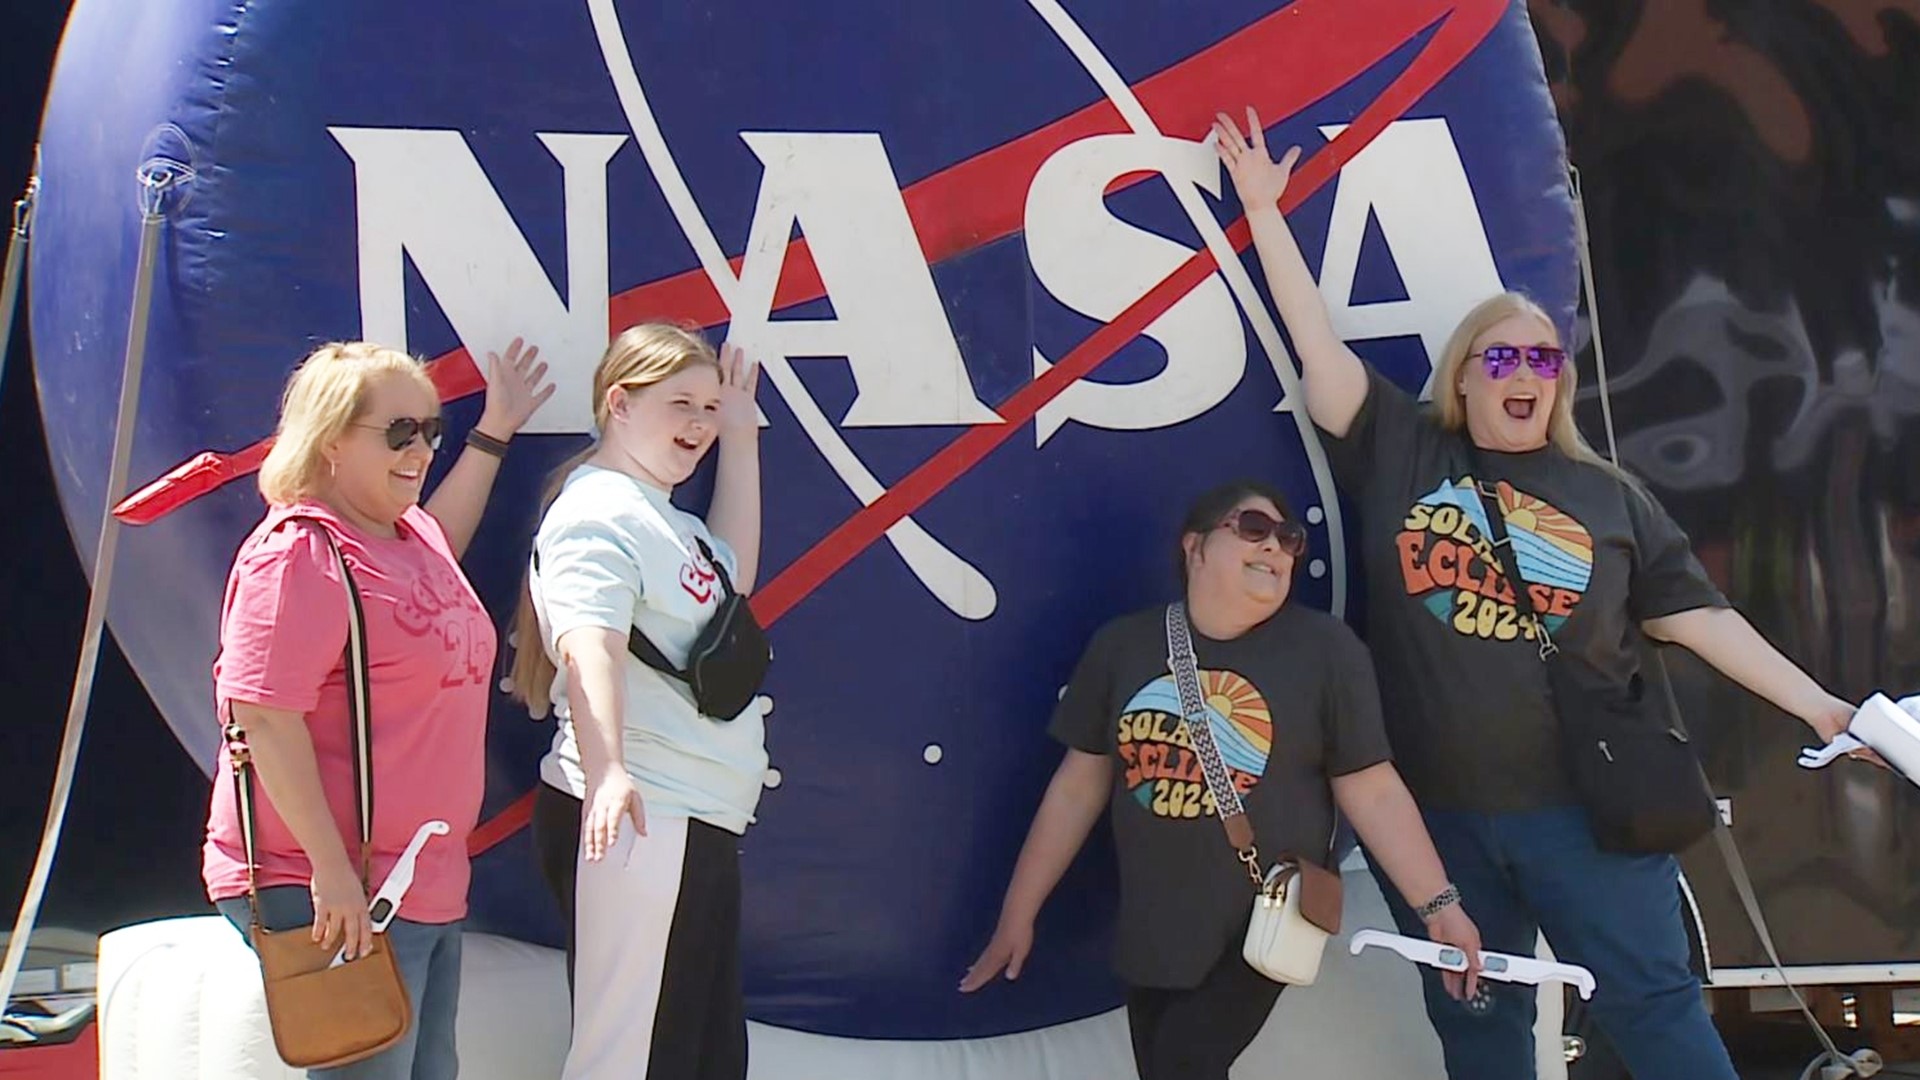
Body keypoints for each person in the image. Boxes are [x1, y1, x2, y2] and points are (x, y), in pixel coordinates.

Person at [1213, 107, 1871, 1080]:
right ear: (1465, 383)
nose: (1524, 371)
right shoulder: (1403, 447)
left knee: (1658, 1014)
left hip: (1587, 817)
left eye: (1542, 358)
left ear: (1557, 385)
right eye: (1501, 357)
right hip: (1441, 823)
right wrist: (1265, 212)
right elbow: (1316, 348)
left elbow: (1702, 619)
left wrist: (1821, 705)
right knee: (1478, 1031)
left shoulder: (1609, 498)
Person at [961, 480, 1485, 1080]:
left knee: (1185, 1066)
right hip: (1153, 929)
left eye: (1288, 539)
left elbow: (1373, 788)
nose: (1275, 548)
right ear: (1195, 548)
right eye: (1252, 529)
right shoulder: (1122, 647)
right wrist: (1018, 912)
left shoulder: (1326, 651)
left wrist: (1440, 906)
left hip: (1260, 924)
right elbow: (1077, 788)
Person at [202, 337, 555, 1079]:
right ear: (330, 440)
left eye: (431, 431)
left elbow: (437, 552)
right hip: (342, 888)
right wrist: (331, 872)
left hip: (413, 881)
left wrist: (492, 434)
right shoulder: (298, 556)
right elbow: (262, 717)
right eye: (399, 433)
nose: (421, 450)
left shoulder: (406, 530)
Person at [508, 323, 764, 1080]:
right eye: (680, 402)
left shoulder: (663, 518)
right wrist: (610, 767)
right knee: (633, 1059)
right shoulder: (598, 513)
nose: (698, 424)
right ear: (618, 403)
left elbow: (730, 579)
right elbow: (590, 646)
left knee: (702, 1055)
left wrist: (743, 441)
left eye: (709, 408)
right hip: (641, 812)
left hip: (692, 814)